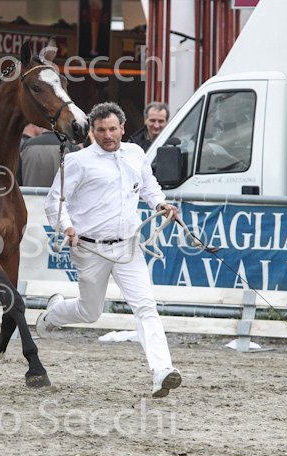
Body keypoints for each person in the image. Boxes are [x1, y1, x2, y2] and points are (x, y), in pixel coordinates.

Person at [38, 102, 182, 399]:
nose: (107, 135)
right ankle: (54, 314)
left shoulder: (136, 154)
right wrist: (66, 227)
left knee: (146, 306)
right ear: (92, 131)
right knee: (90, 312)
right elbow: (55, 201)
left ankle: (162, 371)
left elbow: (149, 186)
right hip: (90, 249)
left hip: (128, 247)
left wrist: (160, 203)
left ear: (122, 129)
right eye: (101, 130)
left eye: (112, 129)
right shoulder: (77, 161)